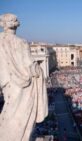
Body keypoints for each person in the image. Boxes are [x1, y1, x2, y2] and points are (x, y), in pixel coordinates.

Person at [0, 13, 48, 141]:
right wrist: (39, 71)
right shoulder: (21, 43)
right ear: (16, 25)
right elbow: (30, 67)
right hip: (22, 87)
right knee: (20, 115)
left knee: (9, 110)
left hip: (6, 83)